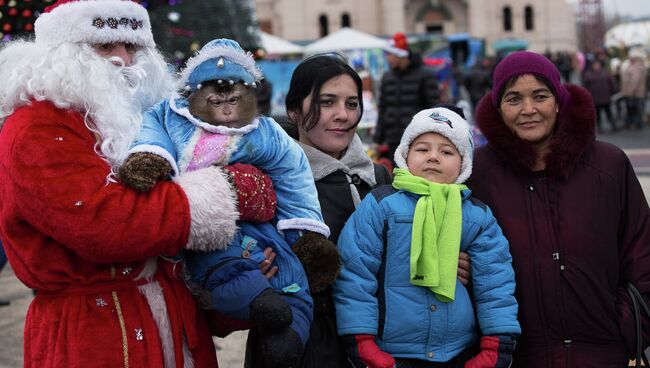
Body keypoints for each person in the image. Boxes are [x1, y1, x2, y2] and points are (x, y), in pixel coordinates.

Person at [0, 1, 277, 366]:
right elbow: (105, 225)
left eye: (133, 47)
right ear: (59, 53)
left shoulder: (148, 119)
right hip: (92, 334)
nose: (124, 60)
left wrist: (234, 276)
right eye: (104, 45)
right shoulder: (36, 127)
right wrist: (226, 191)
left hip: (174, 319)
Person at [120, 37, 338, 368]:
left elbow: (292, 172)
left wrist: (305, 234)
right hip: (202, 234)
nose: (225, 107)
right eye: (214, 98)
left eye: (234, 98)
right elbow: (153, 134)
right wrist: (152, 158)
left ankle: (291, 332)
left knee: (291, 271)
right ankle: (259, 302)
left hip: (260, 230)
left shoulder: (263, 130)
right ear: (193, 93)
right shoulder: (170, 116)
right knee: (223, 269)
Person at [246, 54, 474, 368]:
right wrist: (253, 270)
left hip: (373, 343)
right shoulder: (268, 181)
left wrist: (448, 260)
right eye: (327, 102)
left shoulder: (381, 178)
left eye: (352, 104)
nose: (342, 115)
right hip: (299, 343)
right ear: (294, 109)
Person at [470, 50, 650, 367]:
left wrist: (627, 330)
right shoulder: (478, 174)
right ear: (499, 108)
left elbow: (641, 254)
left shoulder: (608, 166)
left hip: (602, 353)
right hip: (516, 357)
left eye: (540, 96)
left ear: (558, 100)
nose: (528, 110)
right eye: (514, 99)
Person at [332, 105, 520, 368]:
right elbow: (354, 272)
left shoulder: (477, 216)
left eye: (446, 151)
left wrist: (497, 343)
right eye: (422, 149)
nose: (433, 157)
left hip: (458, 351)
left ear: (464, 163)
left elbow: (495, 283)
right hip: (392, 352)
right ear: (405, 154)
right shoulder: (381, 205)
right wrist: (360, 339)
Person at [374, 32, 440, 165]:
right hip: (393, 140)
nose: (388, 59)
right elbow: (383, 109)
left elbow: (433, 108)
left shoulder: (425, 74)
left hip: (416, 139)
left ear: (400, 54)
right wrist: (378, 138)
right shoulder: (387, 77)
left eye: (390, 54)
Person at [582, 59, 618, 133]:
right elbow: (585, 86)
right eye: (595, 65)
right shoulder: (588, 74)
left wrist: (614, 91)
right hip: (595, 98)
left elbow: (611, 82)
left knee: (609, 113)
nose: (596, 66)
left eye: (598, 65)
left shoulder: (605, 72)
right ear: (592, 66)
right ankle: (600, 127)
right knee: (598, 115)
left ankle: (613, 126)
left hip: (605, 97)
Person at [621, 48, 648, 130]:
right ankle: (637, 123)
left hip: (634, 93)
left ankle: (636, 124)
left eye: (631, 59)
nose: (629, 60)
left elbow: (634, 82)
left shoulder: (636, 68)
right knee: (636, 109)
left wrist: (630, 93)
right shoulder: (639, 66)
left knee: (634, 109)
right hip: (637, 93)